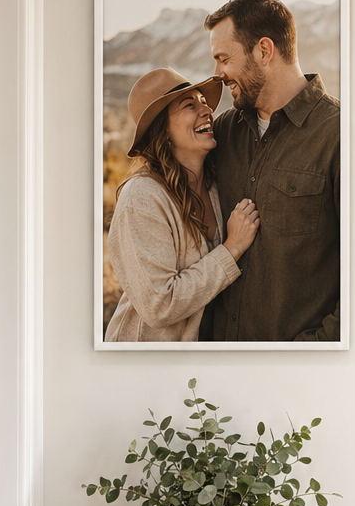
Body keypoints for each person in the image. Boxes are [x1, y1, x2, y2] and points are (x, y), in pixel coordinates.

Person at [206, 0, 341, 342]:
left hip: (294, 378)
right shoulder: (222, 132)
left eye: (223, 58)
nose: (217, 73)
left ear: (264, 51)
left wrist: (310, 353)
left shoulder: (342, 134)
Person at [104, 67, 260, 342]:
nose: (206, 110)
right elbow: (160, 305)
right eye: (189, 105)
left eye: (203, 102)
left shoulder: (214, 185)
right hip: (145, 365)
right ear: (162, 130)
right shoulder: (142, 196)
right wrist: (231, 248)